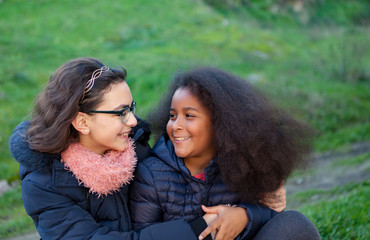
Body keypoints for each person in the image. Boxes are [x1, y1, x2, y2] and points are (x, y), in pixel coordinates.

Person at [9, 58, 242, 240]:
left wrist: (246, 213)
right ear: (82, 122)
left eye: (131, 108)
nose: (132, 121)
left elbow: (191, 184)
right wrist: (198, 229)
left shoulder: (135, 149)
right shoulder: (43, 184)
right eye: (121, 113)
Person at [129, 67, 321, 240]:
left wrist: (244, 215)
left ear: (220, 123)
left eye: (189, 116)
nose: (176, 125)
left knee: (296, 224)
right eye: (173, 116)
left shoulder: (241, 165)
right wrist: (203, 227)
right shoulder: (151, 174)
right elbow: (143, 236)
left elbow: (270, 215)